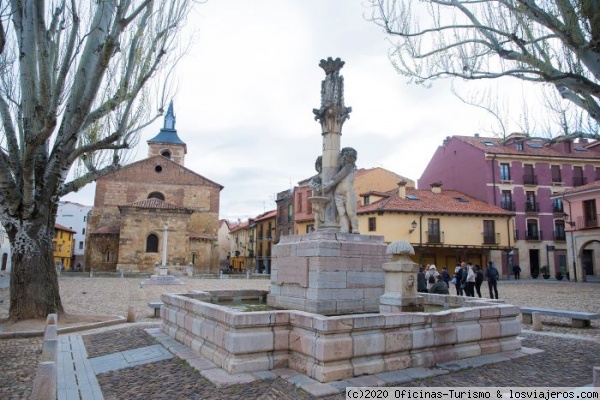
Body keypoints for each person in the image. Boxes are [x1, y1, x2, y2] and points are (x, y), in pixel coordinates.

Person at [322, 147, 359, 233]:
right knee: (341, 213)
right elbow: (336, 177)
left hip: (348, 193)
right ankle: (344, 229)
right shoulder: (341, 168)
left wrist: (328, 185)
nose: (339, 159)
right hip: (338, 194)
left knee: (351, 212)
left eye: (341, 157)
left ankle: (355, 229)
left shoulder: (349, 167)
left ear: (345, 157)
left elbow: (338, 177)